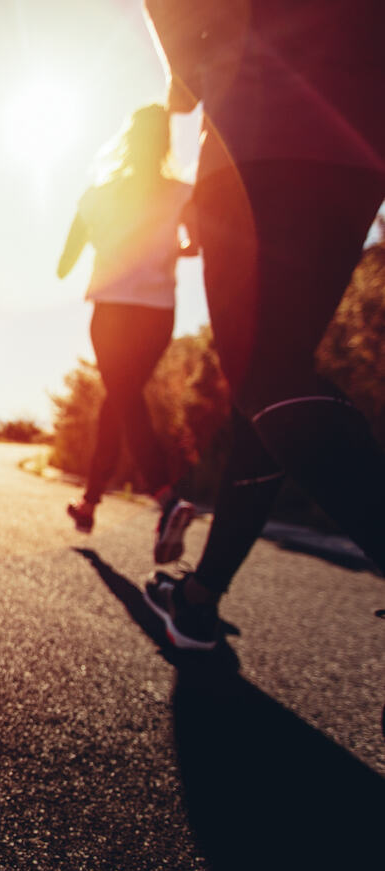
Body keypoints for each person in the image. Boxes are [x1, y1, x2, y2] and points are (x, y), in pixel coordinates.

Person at [142, 0, 385, 651]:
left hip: (257, 127)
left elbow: (185, 60)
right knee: (276, 382)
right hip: (360, 138)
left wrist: (189, 71)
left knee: (264, 374)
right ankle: (198, 599)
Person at [57, 103, 199, 562]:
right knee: (120, 398)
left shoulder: (99, 194)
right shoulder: (181, 192)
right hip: (158, 313)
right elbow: (194, 243)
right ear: (163, 144)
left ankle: (166, 498)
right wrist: (168, 246)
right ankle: (90, 503)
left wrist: (106, 238)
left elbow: (64, 263)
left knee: (124, 397)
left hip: (112, 311)